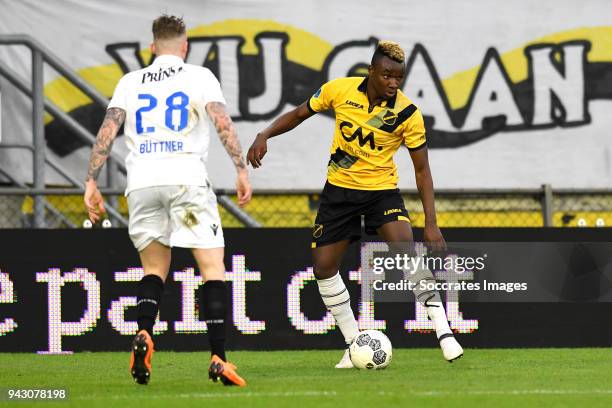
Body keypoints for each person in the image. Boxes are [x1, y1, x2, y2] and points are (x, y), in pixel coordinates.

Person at [247, 40, 463, 367]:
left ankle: (444, 332)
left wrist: (431, 224)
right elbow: (299, 113)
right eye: (387, 75)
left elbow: (422, 171)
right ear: (371, 71)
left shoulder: (407, 114)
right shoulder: (339, 91)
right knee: (323, 268)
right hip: (339, 193)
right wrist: (265, 134)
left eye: (399, 78)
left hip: (381, 193)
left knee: (405, 250)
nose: (393, 83)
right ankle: (353, 342)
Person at [84, 14, 251, 386]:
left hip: (142, 184)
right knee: (211, 267)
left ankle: (144, 331)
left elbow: (108, 129)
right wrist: (240, 168)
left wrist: (91, 180)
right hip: (186, 180)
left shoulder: (130, 81)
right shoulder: (199, 77)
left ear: (152, 47)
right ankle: (219, 358)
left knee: (153, 269)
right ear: (185, 46)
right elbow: (221, 122)